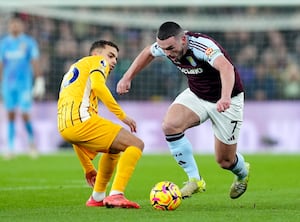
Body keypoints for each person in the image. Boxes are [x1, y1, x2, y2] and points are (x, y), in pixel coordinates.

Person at [117, 21, 250, 199]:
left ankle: (243, 173)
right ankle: (195, 180)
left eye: (170, 48)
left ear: (183, 40)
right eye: (164, 49)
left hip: (227, 99)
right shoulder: (167, 46)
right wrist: (127, 77)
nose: (167, 53)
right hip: (197, 95)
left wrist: (225, 96)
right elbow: (148, 52)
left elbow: (226, 67)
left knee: (225, 161)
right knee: (170, 125)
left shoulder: (202, 46)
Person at [57, 40, 144, 208]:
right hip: (81, 121)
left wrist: (88, 168)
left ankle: (97, 197)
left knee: (114, 149)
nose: (112, 62)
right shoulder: (97, 61)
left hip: (65, 126)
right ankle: (116, 195)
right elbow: (99, 86)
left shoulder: (73, 72)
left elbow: (74, 133)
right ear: (96, 54)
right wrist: (122, 116)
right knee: (136, 144)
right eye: (110, 56)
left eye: (116, 59)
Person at [0, 16, 45, 159]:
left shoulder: (28, 43)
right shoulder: (4, 43)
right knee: (10, 115)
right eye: (12, 24)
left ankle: (32, 144)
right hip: (8, 85)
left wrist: (39, 80)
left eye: (17, 24)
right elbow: (1, 65)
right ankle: (10, 148)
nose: (14, 26)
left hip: (24, 85)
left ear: (21, 26)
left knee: (25, 114)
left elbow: (35, 62)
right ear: (9, 26)